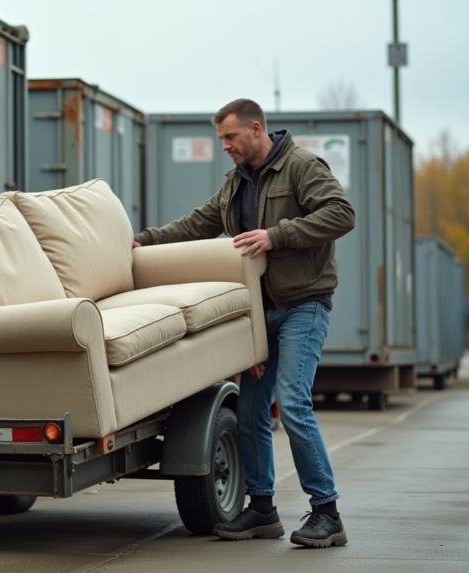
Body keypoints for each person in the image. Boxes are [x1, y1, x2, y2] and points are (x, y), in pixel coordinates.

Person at [133, 98, 355, 548]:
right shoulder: (236, 183)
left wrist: (277, 236)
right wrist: (142, 241)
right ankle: (261, 509)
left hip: (303, 305)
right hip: (260, 311)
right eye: (221, 140)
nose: (225, 147)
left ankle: (327, 512)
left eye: (230, 138)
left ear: (256, 129)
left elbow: (341, 214)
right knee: (251, 411)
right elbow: (198, 223)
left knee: (292, 403)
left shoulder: (302, 166)